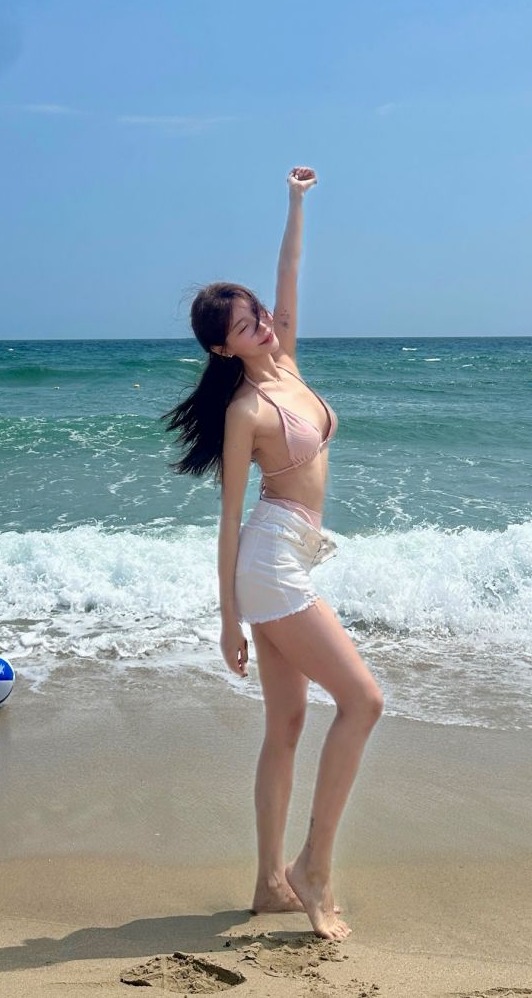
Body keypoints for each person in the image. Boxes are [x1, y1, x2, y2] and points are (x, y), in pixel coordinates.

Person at [161, 166, 384, 942]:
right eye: (244, 322)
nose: (260, 322)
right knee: (364, 701)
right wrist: (228, 618)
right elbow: (229, 519)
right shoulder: (246, 409)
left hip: (288, 556)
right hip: (268, 562)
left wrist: (295, 201)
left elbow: (291, 269)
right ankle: (313, 868)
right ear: (221, 345)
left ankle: (268, 883)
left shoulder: (286, 358)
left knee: (287, 722)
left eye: (258, 311)